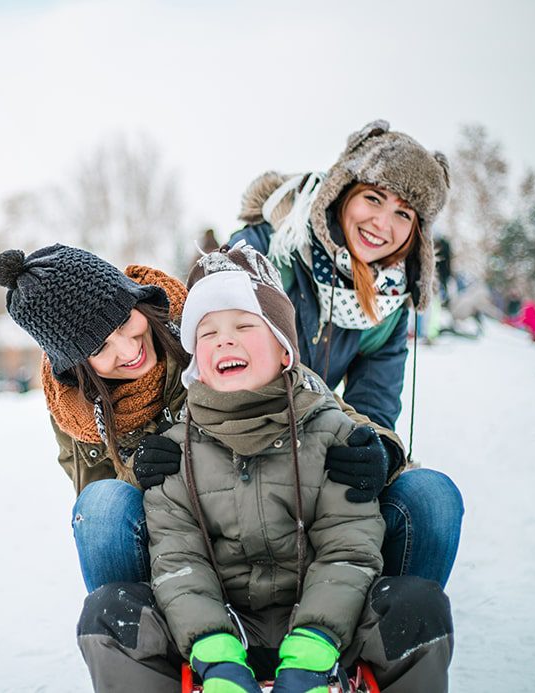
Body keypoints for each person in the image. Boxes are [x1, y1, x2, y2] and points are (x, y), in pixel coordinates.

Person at [78, 244, 452, 693]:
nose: (224, 340)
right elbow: (179, 560)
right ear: (196, 363)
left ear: (284, 349)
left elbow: (348, 548)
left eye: (244, 325)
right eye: (208, 333)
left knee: (417, 604)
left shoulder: (329, 432)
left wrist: (314, 647)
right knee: (109, 613)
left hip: (327, 625)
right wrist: (215, 654)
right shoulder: (176, 452)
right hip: (220, 628)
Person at [0, 244, 403, 593]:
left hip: (278, 514)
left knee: (425, 494)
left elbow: (304, 392)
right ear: (77, 365)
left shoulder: (208, 328)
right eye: (99, 347)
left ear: (137, 300)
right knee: (100, 506)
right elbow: (103, 509)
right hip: (178, 542)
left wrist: (381, 448)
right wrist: (140, 472)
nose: (126, 348)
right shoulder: (76, 411)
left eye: (122, 322)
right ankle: (138, 644)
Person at [228, 120, 463, 587]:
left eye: (405, 214)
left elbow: (376, 405)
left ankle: (388, 629)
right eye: (373, 199)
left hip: (316, 460)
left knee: (433, 498)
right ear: (342, 192)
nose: (383, 224)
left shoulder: (390, 303)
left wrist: (376, 451)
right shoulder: (269, 249)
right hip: (239, 454)